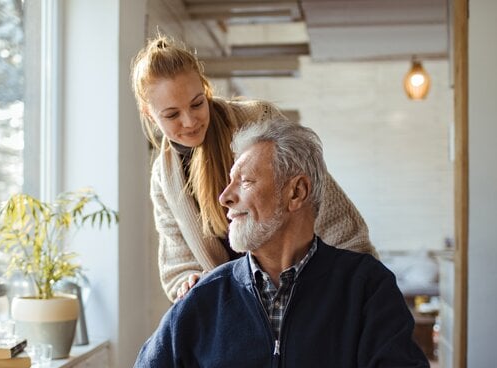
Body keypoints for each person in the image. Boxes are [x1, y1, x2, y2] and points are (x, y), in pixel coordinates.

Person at [110, 119, 432, 368]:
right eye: (229, 181)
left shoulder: (366, 287)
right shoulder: (203, 298)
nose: (225, 197)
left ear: (296, 193)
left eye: (245, 182)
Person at [130, 34, 377, 302]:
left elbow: (324, 206)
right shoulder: (163, 179)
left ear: (206, 88)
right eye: (172, 114)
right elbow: (178, 265)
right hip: (240, 311)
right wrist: (190, 282)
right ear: (148, 112)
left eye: (197, 103)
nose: (189, 121)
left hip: (308, 291)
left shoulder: (258, 121)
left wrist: (360, 283)